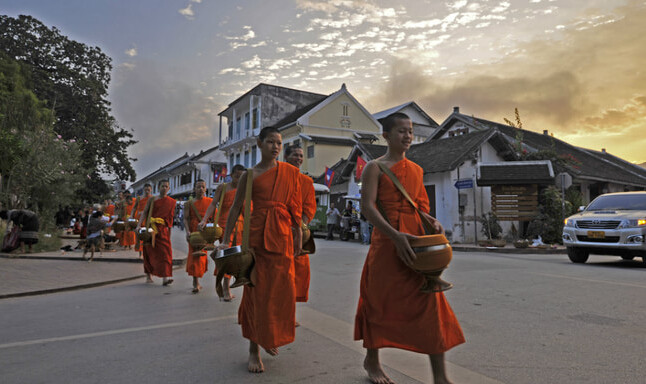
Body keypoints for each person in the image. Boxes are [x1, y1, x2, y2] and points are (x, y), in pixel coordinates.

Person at [354, 112, 465, 384]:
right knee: (378, 303)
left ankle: (440, 376)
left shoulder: (415, 170)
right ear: (387, 136)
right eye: (401, 131)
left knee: (431, 304)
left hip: (416, 246)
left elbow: (419, 207)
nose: (407, 136)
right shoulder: (374, 168)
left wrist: (432, 221)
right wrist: (394, 235)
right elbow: (367, 207)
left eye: (410, 131)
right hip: (387, 244)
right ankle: (372, 360)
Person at [216, 126, 302, 374]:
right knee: (256, 293)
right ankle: (254, 348)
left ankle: (269, 334)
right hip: (256, 237)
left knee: (281, 291)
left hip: (282, 236)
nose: (275, 147)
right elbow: (235, 209)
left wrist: (298, 233)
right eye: (271, 142)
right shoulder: (249, 175)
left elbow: (294, 206)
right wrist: (225, 239)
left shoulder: (289, 172)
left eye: (279, 143)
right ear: (259, 144)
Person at [199, 164, 246, 301]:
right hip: (226, 226)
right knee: (228, 256)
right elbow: (213, 204)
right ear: (231, 175)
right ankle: (225, 288)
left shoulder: (245, 189)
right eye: (237, 176)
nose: (239, 179)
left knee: (236, 257)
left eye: (242, 177)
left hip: (242, 226)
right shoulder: (223, 188)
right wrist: (204, 219)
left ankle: (227, 285)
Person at [284, 145, 317, 309]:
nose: (299, 158)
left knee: (298, 271)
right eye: (295, 155)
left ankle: (291, 311)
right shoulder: (278, 178)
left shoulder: (306, 181)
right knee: (279, 272)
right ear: (286, 157)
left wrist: (301, 227)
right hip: (278, 229)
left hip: (298, 232)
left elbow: (310, 207)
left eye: (301, 156)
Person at [136, 180, 176, 285]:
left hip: (162, 230)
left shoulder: (171, 202)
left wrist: (169, 233)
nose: (164, 188)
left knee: (166, 253)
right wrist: (139, 225)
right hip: (150, 229)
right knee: (148, 252)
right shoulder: (152, 199)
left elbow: (170, 219)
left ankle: (165, 277)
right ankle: (148, 276)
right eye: (162, 186)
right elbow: (145, 212)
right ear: (158, 188)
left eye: (166, 186)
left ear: (169, 188)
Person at [183, 179, 212, 293]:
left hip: (205, 231)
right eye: (198, 187)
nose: (201, 189)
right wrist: (187, 231)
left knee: (202, 255)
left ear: (205, 189)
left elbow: (214, 218)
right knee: (194, 255)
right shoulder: (188, 203)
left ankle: (198, 278)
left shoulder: (210, 201)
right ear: (194, 189)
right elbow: (185, 218)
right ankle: (195, 282)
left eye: (203, 187)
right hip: (194, 231)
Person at [133, 184, 153, 259]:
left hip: (149, 219)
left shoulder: (152, 198)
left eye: (148, 190)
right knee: (139, 236)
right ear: (143, 190)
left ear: (151, 190)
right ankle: (140, 254)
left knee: (148, 236)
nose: (147, 191)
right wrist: (132, 216)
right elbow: (134, 208)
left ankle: (148, 254)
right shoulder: (139, 198)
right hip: (140, 220)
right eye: (146, 190)